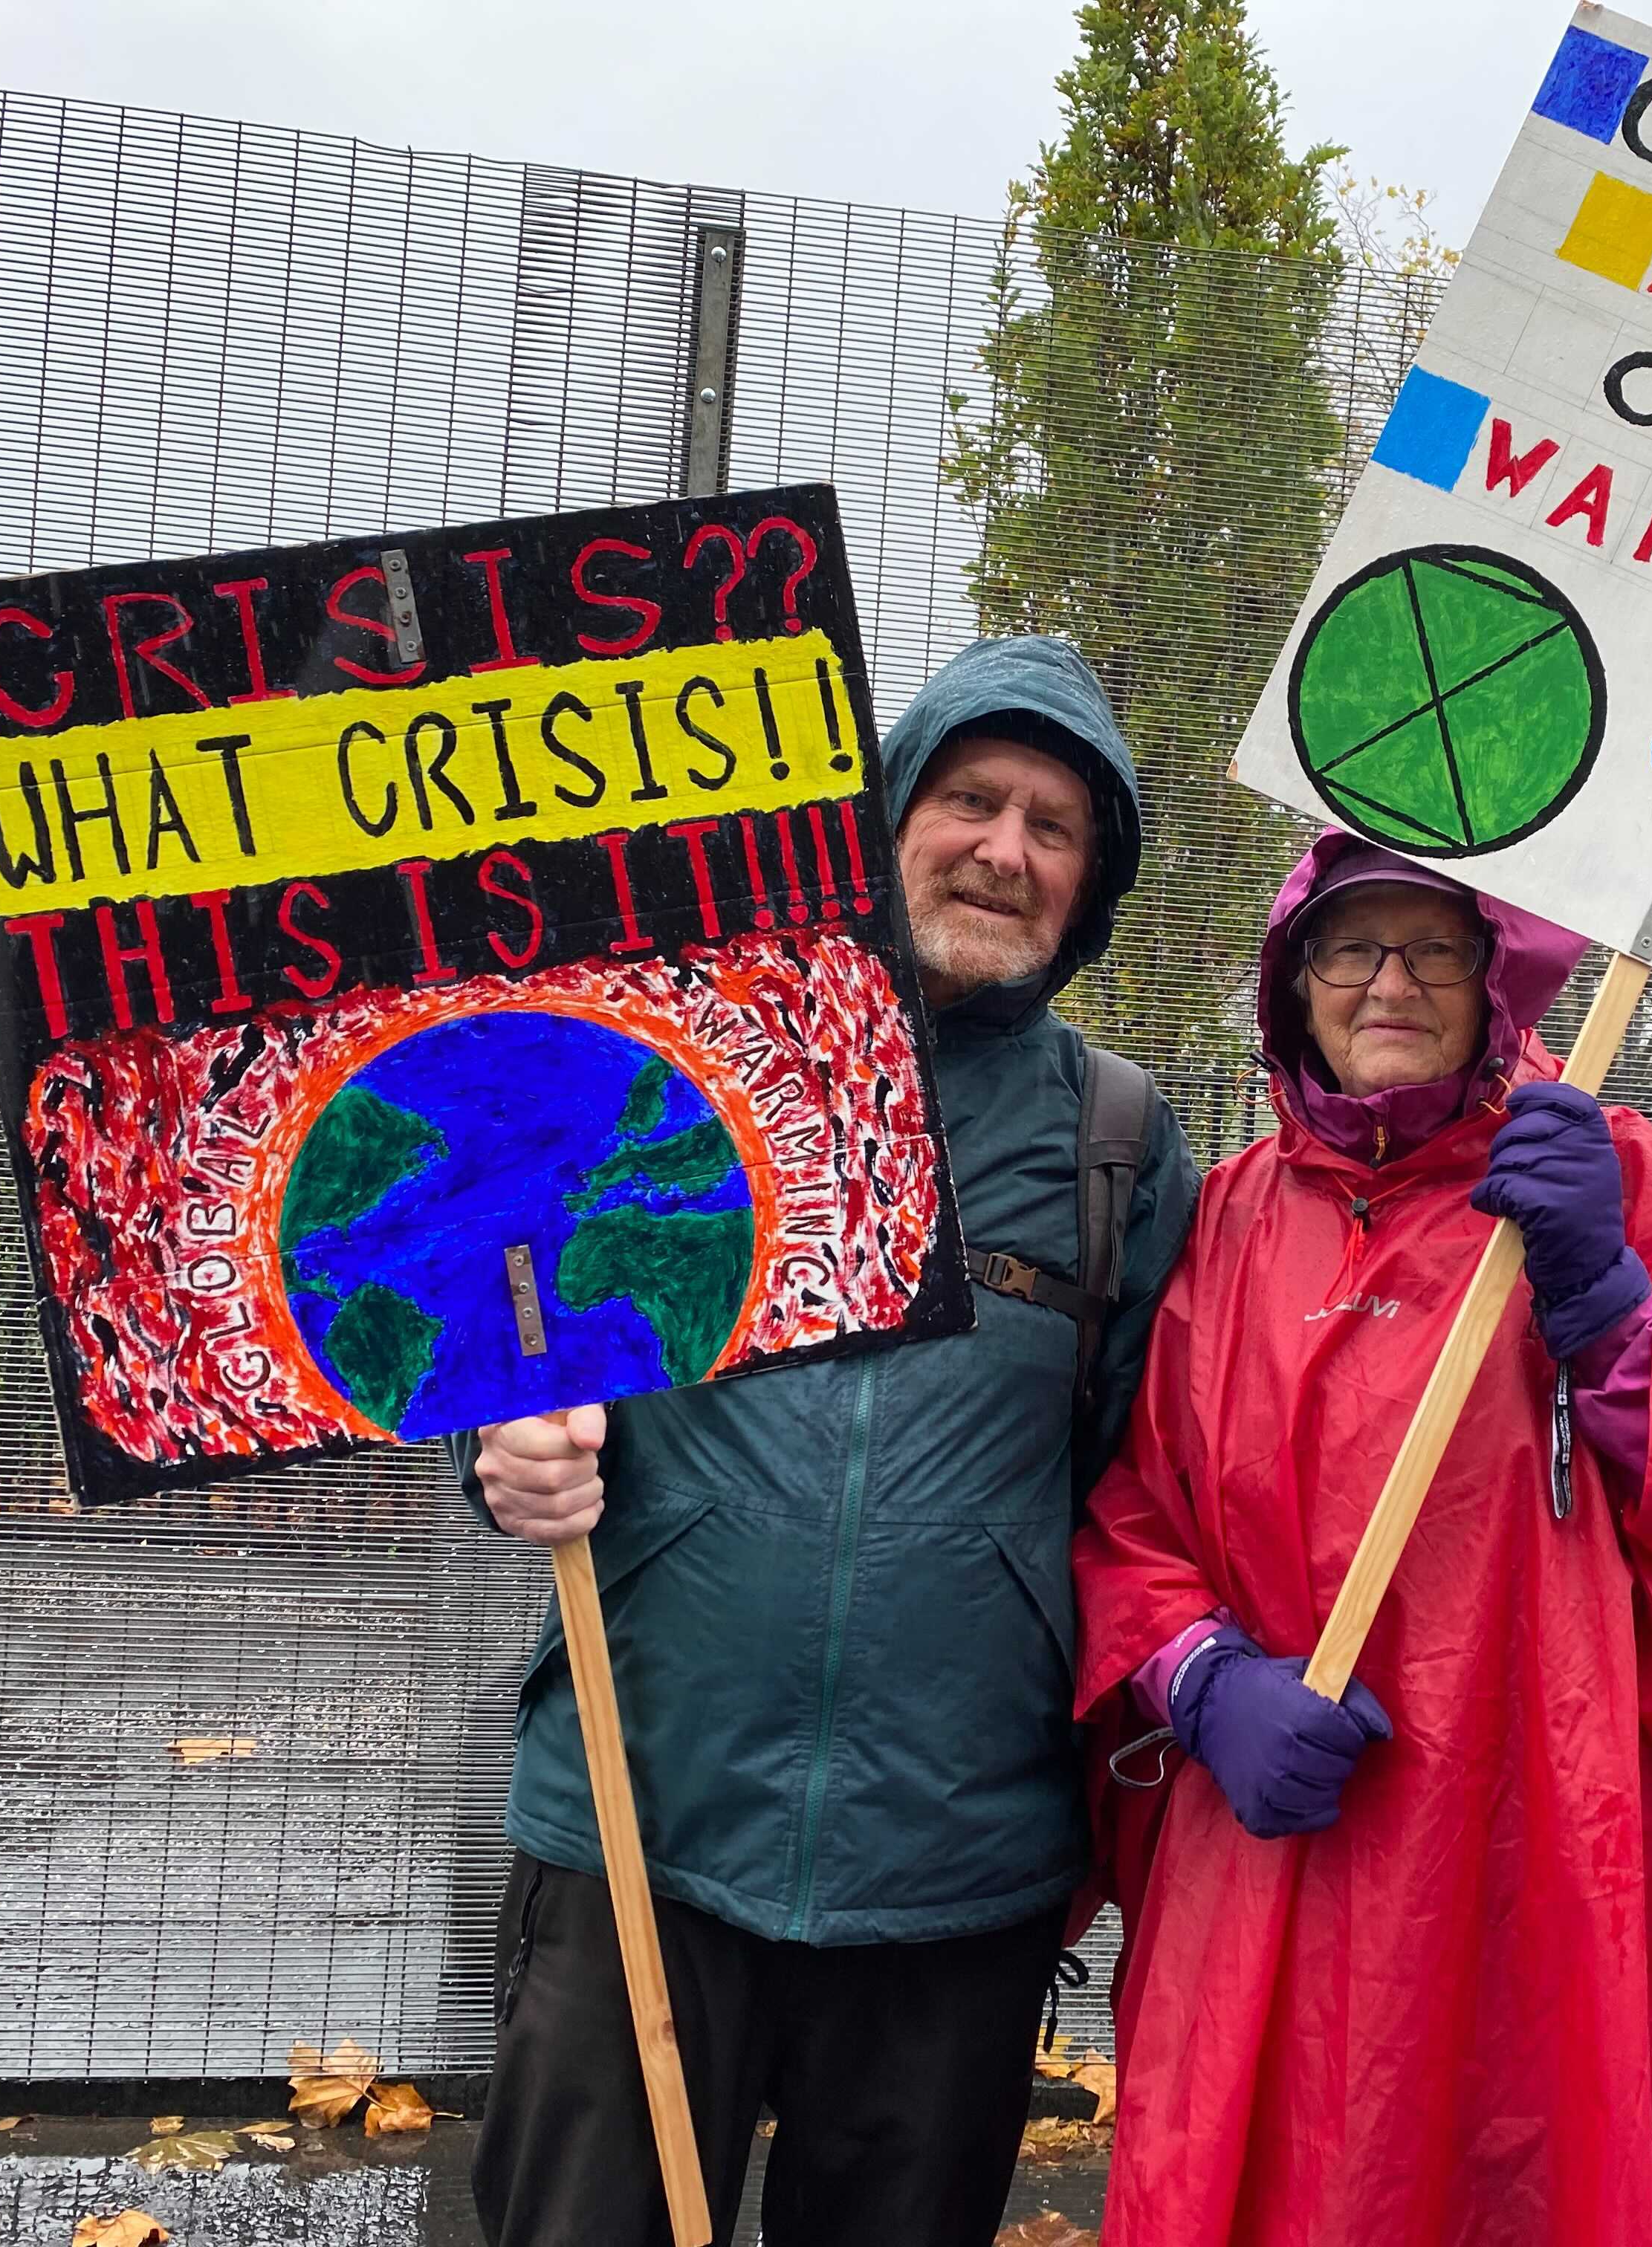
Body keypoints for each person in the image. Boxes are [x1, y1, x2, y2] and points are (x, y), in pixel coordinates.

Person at [461, 635, 1199, 2247]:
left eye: (1055, 827)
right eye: (971, 800)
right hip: (643, 1819)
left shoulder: (1122, 1144)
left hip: (960, 1864)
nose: (1005, 849)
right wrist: (505, 1445)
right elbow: (508, 1319)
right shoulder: (679, 1069)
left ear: (1090, 888)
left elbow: (1155, 1483)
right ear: (886, 815)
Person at [1072, 831, 1652, 2246]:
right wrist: (1203, 1682)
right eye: (1351, 947)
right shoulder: (1226, 1219)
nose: (1390, 981)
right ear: (1296, 988)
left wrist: (1614, 1307)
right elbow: (1138, 1509)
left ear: (1493, 979)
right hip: (1291, 1860)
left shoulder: (1621, 1179)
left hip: (1567, 1856)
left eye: (1435, 948)